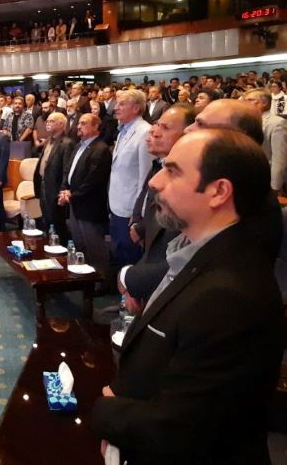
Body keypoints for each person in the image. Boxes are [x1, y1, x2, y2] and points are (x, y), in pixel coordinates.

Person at [92, 128, 283, 465]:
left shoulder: (230, 293)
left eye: (173, 171)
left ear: (218, 192)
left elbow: (183, 426)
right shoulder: (192, 252)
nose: (155, 181)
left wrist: (106, 411)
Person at [119, 104, 196, 309]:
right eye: (157, 126)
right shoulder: (159, 165)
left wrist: (132, 279)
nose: (154, 133)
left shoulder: (192, 181)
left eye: (165, 128)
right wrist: (140, 223)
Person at [58, 113, 111, 276]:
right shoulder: (79, 146)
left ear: (96, 127)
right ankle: (85, 278)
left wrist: (72, 194)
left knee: (94, 247)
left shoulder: (100, 149)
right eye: (79, 123)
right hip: (75, 203)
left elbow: (93, 180)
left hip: (90, 206)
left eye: (84, 123)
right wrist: (65, 190)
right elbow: (68, 170)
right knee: (80, 245)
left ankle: (100, 280)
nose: (79, 126)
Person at [108, 89, 153, 269]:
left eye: (122, 104)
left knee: (129, 259)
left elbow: (146, 176)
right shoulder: (122, 131)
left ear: (136, 108)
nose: (115, 108)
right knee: (118, 254)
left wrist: (138, 214)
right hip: (116, 204)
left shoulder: (145, 132)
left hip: (130, 210)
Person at [241, 89, 287, 195]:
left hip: (265, 178)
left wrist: (275, 186)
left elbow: (280, 158)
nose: (244, 103)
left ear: (264, 103)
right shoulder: (244, 122)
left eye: (250, 100)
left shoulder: (277, 123)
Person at [34, 112, 73, 243]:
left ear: (61, 124)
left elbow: (66, 171)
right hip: (44, 185)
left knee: (57, 223)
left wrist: (62, 192)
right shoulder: (48, 141)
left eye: (51, 121)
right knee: (46, 220)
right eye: (47, 121)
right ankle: (49, 246)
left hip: (55, 189)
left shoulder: (67, 143)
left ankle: (61, 250)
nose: (47, 123)